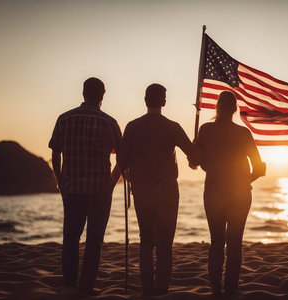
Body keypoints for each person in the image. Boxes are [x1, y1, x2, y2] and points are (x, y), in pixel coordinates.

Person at [117, 83, 198, 296]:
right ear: (163, 101)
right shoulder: (172, 126)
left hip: (142, 191)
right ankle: (161, 289)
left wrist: (122, 178)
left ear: (145, 101)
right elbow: (195, 156)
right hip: (168, 192)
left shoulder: (132, 127)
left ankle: (147, 288)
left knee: (146, 240)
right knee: (165, 243)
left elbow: (122, 160)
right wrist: (194, 158)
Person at [49, 77, 122, 296]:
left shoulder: (65, 119)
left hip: (71, 188)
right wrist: (112, 180)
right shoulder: (109, 122)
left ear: (83, 93)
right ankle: (86, 285)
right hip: (100, 189)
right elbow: (123, 157)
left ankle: (70, 284)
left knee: (70, 238)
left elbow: (55, 152)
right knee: (94, 240)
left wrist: (60, 180)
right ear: (102, 95)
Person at [194, 91, 266, 296]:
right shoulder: (243, 134)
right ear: (235, 109)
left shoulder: (205, 130)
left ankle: (216, 288)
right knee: (235, 242)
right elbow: (259, 168)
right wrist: (245, 181)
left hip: (214, 192)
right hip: (240, 193)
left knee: (216, 240)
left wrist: (195, 151)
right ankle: (231, 288)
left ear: (217, 107)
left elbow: (195, 163)